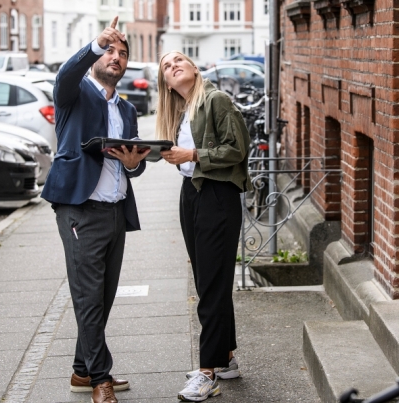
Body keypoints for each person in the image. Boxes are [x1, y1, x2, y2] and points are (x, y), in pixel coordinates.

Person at [40, 16, 149, 403]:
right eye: (110, 51)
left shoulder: (128, 109)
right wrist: (95, 43)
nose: (115, 57)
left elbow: (136, 163)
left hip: (116, 210)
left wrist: (135, 161)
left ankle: (81, 371)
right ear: (98, 57)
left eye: (122, 53)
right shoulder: (74, 93)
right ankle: (100, 379)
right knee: (87, 296)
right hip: (79, 210)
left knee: (101, 297)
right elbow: (67, 73)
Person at [157, 51, 251, 402]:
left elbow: (237, 149)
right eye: (167, 66)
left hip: (217, 196)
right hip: (192, 194)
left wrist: (194, 155)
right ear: (165, 82)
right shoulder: (183, 110)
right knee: (208, 280)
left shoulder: (216, 100)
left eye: (180, 60)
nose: (174, 65)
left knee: (210, 285)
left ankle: (208, 372)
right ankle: (225, 358)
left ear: (194, 68)